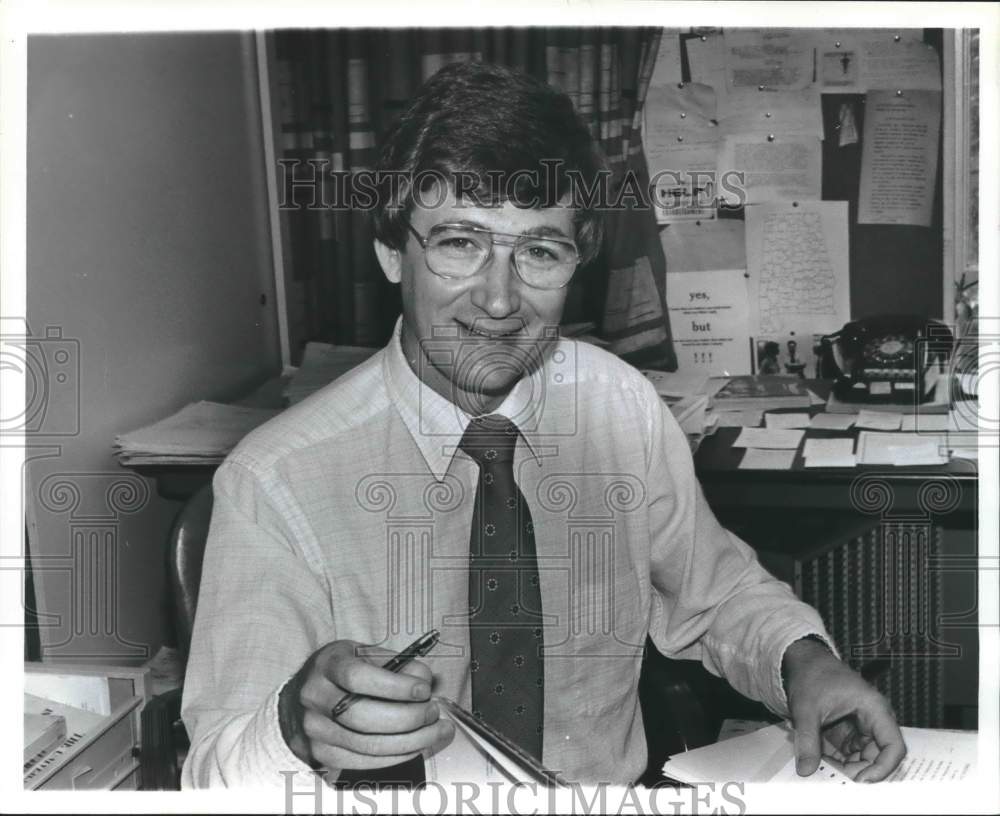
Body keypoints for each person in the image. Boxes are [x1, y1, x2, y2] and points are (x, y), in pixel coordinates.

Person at [181, 61, 904, 788]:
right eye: (460, 243)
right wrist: (291, 728)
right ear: (392, 251)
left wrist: (806, 665)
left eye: (539, 252)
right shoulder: (275, 481)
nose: (499, 301)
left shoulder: (620, 410)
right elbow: (212, 775)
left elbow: (716, 595)